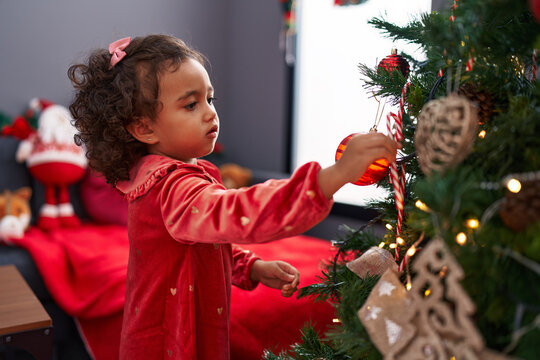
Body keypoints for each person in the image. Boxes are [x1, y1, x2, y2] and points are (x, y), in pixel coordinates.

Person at [68, 34, 400, 360]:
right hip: (170, 343)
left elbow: (200, 244)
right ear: (144, 128)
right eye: (191, 104)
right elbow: (237, 211)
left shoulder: (174, 175)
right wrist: (334, 176)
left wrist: (248, 267)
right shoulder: (170, 186)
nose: (210, 113)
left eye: (210, 99)